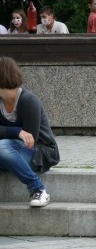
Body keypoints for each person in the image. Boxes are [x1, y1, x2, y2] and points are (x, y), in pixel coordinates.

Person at [0, 56, 60, 207]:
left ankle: (38, 189)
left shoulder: (28, 100)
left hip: (41, 152)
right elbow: (19, 135)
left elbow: (30, 140)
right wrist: (17, 132)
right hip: (10, 151)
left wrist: (15, 134)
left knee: (2, 147)